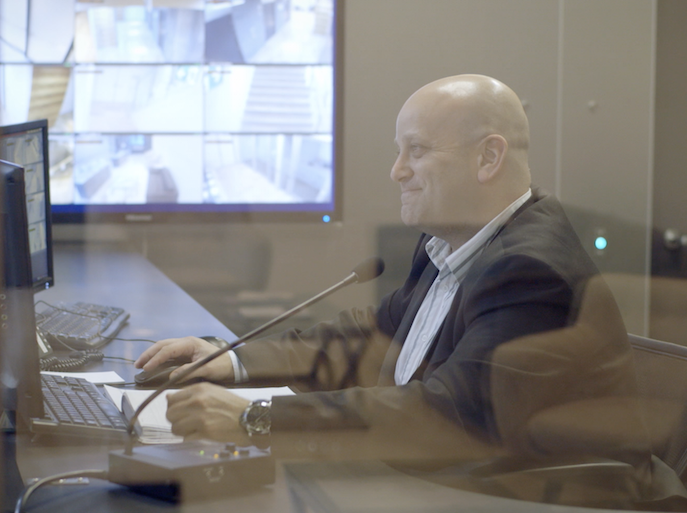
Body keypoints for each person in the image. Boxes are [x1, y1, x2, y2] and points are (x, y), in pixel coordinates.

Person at [135, 74, 610, 457]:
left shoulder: (529, 271)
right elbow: (372, 335)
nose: (397, 170)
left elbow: (446, 416)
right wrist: (231, 360)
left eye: (417, 150)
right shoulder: (453, 242)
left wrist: (254, 417)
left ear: (488, 157)